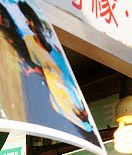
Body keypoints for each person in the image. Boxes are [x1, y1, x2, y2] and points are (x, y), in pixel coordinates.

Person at [16, 1, 94, 135]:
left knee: (82, 120)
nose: (29, 23)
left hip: (67, 88)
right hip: (55, 90)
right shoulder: (29, 41)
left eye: (29, 18)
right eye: (26, 20)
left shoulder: (52, 40)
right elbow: (39, 69)